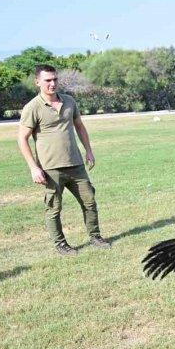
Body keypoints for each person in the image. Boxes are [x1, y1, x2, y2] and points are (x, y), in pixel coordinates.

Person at [17, 64, 110, 255]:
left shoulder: (69, 101)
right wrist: (34, 168)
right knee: (53, 208)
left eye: (55, 79)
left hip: (75, 164)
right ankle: (61, 244)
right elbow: (22, 139)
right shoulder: (32, 107)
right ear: (37, 82)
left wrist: (89, 151)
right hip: (50, 168)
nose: (52, 84)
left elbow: (80, 127)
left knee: (89, 201)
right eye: (47, 80)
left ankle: (95, 236)